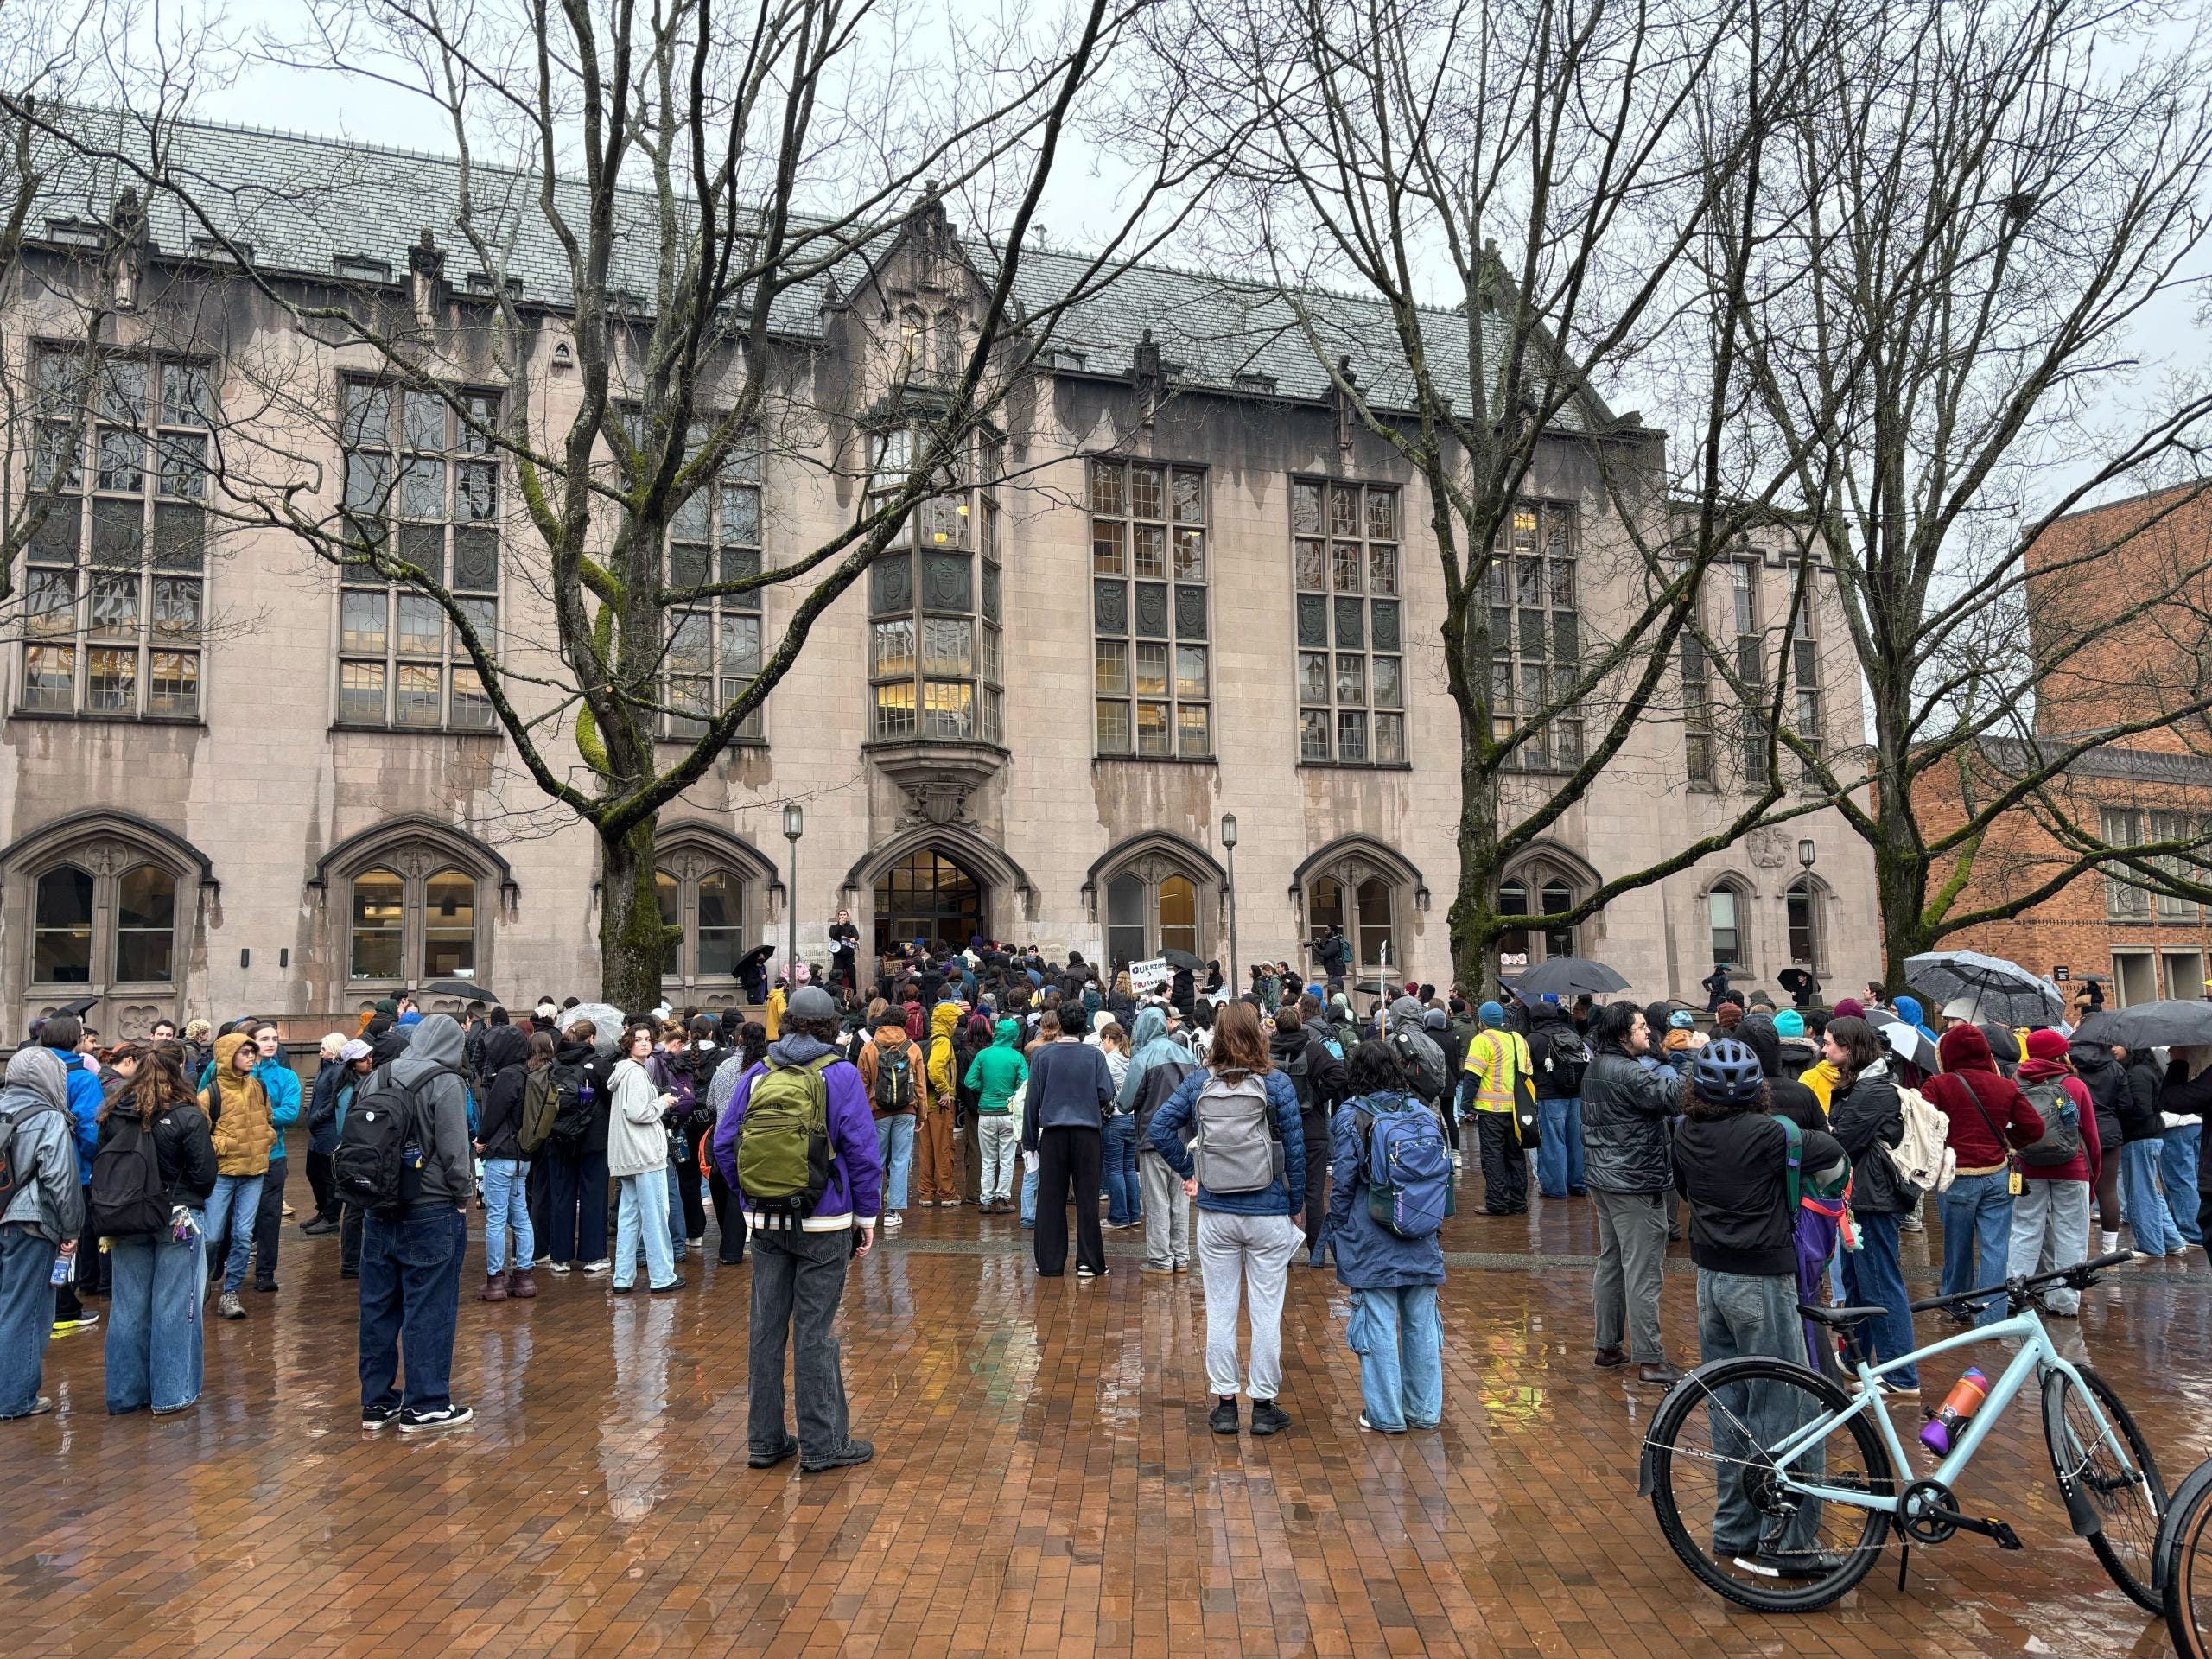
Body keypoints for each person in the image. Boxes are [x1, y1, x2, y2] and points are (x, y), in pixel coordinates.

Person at [1670, 1037, 1850, 1580]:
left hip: (1710, 1280)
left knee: (1730, 1406)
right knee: (1791, 1409)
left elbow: (1682, 1188)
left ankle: (1735, 1528)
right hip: (1764, 1281)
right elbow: (1835, 1156)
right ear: (1758, 1091)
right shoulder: (1777, 1134)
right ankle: (1791, 1544)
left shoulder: (1683, 1132)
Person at [711, 984, 883, 1472]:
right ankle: (823, 1443)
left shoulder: (759, 1071)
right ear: (832, 1026)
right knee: (815, 1332)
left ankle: (765, 1441)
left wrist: (749, 1201)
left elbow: (725, 1142)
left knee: (765, 1331)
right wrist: (866, 1216)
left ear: (785, 1025)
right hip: (825, 1219)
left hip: (766, 1219)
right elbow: (863, 1154)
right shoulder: (841, 1075)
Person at [1148, 1001, 1307, 1436]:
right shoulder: (1275, 1083)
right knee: (1266, 1311)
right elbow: (1295, 1148)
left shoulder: (1201, 1080)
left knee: (1219, 1309)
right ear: (1259, 1033)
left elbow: (1160, 1128)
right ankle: (1263, 1403)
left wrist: (1189, 1171)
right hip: (1269, 1209)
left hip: (1217, 1211)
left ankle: (1223, 1405)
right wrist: (1297, 1204)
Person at [356, 1012, 476, 1433]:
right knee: (429, 1307)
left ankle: (376, 1401)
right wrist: (463, 1196)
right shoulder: (445, 1082)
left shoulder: (379, 1075)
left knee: (378, 1307)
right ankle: (425, 1403)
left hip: (377, 1203)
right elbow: (454, 1151)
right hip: (430, 1207)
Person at [1325, 1041, 1446, 1433]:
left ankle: (1386, 1415)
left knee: (1377, 1321)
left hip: (1371, 1232)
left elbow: (1343, 1179)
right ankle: (1425, 1411)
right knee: (1422, 1324)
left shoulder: (1351, 1114)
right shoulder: (1421, 1110)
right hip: (1422, 1230)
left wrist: (1336, 1224)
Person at [98, 1046, 217, 1415]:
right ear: (178, 1070)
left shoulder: (112, 1114)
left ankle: (124, 1394)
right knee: (175, 1305)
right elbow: (205, 1175)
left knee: (128, 1307)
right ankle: (172, 1392)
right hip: (176, 1213)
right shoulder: (187, 1116)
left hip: (126, 1214)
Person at [1580, 1001, 1681, 1384]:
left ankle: (1608, 1346)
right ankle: (1651, 1359)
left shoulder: (1597, 1067)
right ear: (1624, 1035)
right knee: (1642, 1270)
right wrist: (1686, 1058)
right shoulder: (1630, 1073)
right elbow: (1678, 1097)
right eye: (1641, 1028)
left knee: (1612, 1261)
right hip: (1635, 1181)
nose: (1648, 1033)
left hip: (1604, 1178)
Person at [1922, 1024, 2043, 1327]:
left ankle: (1957, 1302)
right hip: (1997, 1173)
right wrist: (2009, 1143)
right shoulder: (2005, 1085)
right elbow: (2035, 1128)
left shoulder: (1938, 1084)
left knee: (1957, 1245)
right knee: (1995, 1247)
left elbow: (1922, 1129)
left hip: (1956, 1175)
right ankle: (1992, 1316)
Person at [1823, 1016, 1918, 1393]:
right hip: (1858, 1197)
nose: (1824, 1048)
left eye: (1830, 1043)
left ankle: (1900, 1375)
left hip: (1874, 1199)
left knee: (1880, 1283)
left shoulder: (1875, 1090)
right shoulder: (1860, 1085)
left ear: (1849, 1048)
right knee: (1857, 1282)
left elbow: (1842, 1141)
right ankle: (1854, 1359)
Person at [0, 1048, 82, 1419]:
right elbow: (62, 1180)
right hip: (28, 1225)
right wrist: (72, 1228)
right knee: (26, 1312)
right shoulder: (49, 1118)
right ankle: (15, 1398)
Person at [2008, 1028, 2104, 1315]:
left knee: (2024, 1230)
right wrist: (2093, 1177)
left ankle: (2016, 1293)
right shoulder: (2074, 1085)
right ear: (2060, 1053)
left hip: (2029, 1166)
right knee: (2071, 1234)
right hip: (2071, 1167)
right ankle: (2063, 1302)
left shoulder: (2015, 1083)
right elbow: (2090, 1137)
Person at [1021, 1004, 1116, 1277]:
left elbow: (1032, 1101)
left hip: (1053, 1133)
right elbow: (1106, 1092)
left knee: (1051, 1198)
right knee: (1087, 1197)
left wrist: (1029, 1141)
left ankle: (1050, 1262)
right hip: (1087, 1132)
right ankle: (1088, 1260)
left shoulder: (1042, 1056)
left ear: (1059, 1024)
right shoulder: (1094, 1056)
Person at [199, 1032, 274, 1322]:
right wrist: (226, 1146)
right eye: (244, 1052)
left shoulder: (258, 1087)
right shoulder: (209, 1094)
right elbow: (199, 1137)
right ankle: (201, 1282)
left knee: (243, 1236)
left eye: (252, 1052)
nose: (251, 1057)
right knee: (212, 1237)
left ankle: (230, 1293)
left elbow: (268, 1120)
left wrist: (264, 1141)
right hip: (223, 1174)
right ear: (228, 1056)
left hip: (254, 1173)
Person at [1120, 1006, 1198, 1273]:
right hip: (1185, 1140)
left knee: (1156, 1202)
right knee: (1180, 1202)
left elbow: (1126, 1102)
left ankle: (1160, 1258)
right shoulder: (1188, 1054)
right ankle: (1181, 1257)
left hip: (1153, 1138)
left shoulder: (1142, 1057)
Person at [607, 1022, 683, 1294]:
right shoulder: (635, 1073)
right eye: (638, 1040)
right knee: (655, 1214)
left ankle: (623, 1277)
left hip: (629, 1155)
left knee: (629, 1217)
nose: (644, 1043)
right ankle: (662, 1275)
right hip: (644, 1154)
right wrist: (663, 1102)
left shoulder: (624, 1072)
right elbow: (638, 1112)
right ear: (628, 1044)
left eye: (647, 1039)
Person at [1271, 1002, 1344, 1266]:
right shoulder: (1314, 1048)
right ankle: (1316, 1254)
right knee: (1313, 1194)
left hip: (1277, 1131)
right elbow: (1338, 1075)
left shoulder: (1267, 1051)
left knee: (1280, 1191)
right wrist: (1316, 1099)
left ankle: (1284, 1255)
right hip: (1311, 1129)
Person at [472, 1024, 538, 1301]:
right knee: (521, 1217)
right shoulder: (529, 1073)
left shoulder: (507, 1076)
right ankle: (523, 1277)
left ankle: (495, 1279)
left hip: (502, 1153)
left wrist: (481, 1139)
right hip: (523, 1156)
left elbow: (494, 1114)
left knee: (496, 1220)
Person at [542, 1020, 613, 1274]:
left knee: (561, 1196)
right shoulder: (600, 1065)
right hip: (592, 1139)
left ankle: (559, 1257)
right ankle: (593, 1256)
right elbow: (610, 1099)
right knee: (594, 1196)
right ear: (591, 1039)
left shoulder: (554, 1064)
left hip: (558, 1137)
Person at [244, 1021, 302, 1295]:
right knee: (236, 1215)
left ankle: (265, 1272)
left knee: (270, 1217)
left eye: (274, 1038)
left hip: (273, 1155)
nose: (270, 1043)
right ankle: (227, 1264)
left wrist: (253, 1119)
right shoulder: (238, 1074)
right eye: (264, 1038)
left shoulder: (286, 1077)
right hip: (238, 1155)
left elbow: (290, 1113)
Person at [2117, 1042, 2184, 1255]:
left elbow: (2140, 1110)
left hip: (2140, 1137)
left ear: (2132, 1048)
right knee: (2150, 1191)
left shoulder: (2138, 1074)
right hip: (2147, 1136)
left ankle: (2150, 1245)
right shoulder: (2145, 1070)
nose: (2114, 1049)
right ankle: (2172, 1240)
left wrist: (2120, 1118)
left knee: (2140, 1192)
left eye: (2119, 1045)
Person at [856, 1014, 921, 1232]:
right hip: (907, 1110)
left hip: (878, 1111)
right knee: (901, 1160)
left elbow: (862, 1083)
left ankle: (872, 1210)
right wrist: (922, 1114)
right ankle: (893, 1212)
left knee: (877, 1160)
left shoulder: (869, 1048)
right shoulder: (912, 1047)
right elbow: (920, 1084)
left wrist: (864, 1113)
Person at [1526, 994, 1587, 1200]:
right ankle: (1578, 1183)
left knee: (1553, 1142)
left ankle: (1555, 1187)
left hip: (1549, 1096)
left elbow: (1527, 1070)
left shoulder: (1533, 1039)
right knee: (1576, 1141)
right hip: (1576, 1094)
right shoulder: (1571, 1033)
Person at [963, 1016, 1027, 1213]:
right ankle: (1002, 1199)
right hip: (1007, 1112)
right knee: (1007, 1158)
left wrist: (986, 1088)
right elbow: (1025, 1083)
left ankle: (985, 1199)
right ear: (1013, 1036)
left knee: (988, 1159)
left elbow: (969, 1081)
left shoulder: (983, 1055)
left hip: (985, 1113)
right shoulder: (1017, 1057)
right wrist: (1011, 1092)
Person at [2158, 1046, 2210, 1248]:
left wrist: (2179, 1061)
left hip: (2179, 1127)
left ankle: (2190, 1230)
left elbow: (2173, 1100)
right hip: (2192, 1127)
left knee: (2181, 1178)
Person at [1097, 1020, 1146, 1230]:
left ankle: (1118, 1216)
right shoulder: (1132, 1058)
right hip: (1132, 1117)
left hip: (1114, 1118)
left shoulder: (1108, 1061)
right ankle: (1134, 1213)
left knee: (1114, 1169)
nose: (1102, 1045)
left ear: (1108, 1038)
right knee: (1128, 1168)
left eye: (1103, 1041)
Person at [300, 1033, 347, 1235]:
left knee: (329, 1177)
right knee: (313, 1173)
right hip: (317, 1132)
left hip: (329, 1132)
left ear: (335, 1050)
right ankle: (323, 1210)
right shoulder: (324, 1068)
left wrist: (318, 1115)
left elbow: (335, 1100)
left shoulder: (338, 1070)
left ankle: (331, 1217)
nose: (321, 1052)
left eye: (324, 1049)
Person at [917, 1001, 961, 1208]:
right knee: (944, 1149)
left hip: (926, 1105)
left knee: (927, 1151)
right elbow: (935, 1068)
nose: (957, 1022)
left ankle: (926, 1193)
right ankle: (947, 1193)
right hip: (940, 1105)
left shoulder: (932, 1040)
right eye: (955, 1018)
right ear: (947, 1020)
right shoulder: (944, 1042)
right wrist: (944, 1089)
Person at [829, 909, 860, 992]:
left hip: (849, 956)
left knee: (852, 977)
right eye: (841, 915)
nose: (843, 916)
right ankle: (838, 994)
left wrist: (854, 938)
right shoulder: (833, 927)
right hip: (838, 956)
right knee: (838, 976)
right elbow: (833, 935)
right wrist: (839, 925)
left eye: (844, 915)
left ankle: (853, 995)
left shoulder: (851, 927)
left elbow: (856, 935)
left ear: (847, 916)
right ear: (838, 917)